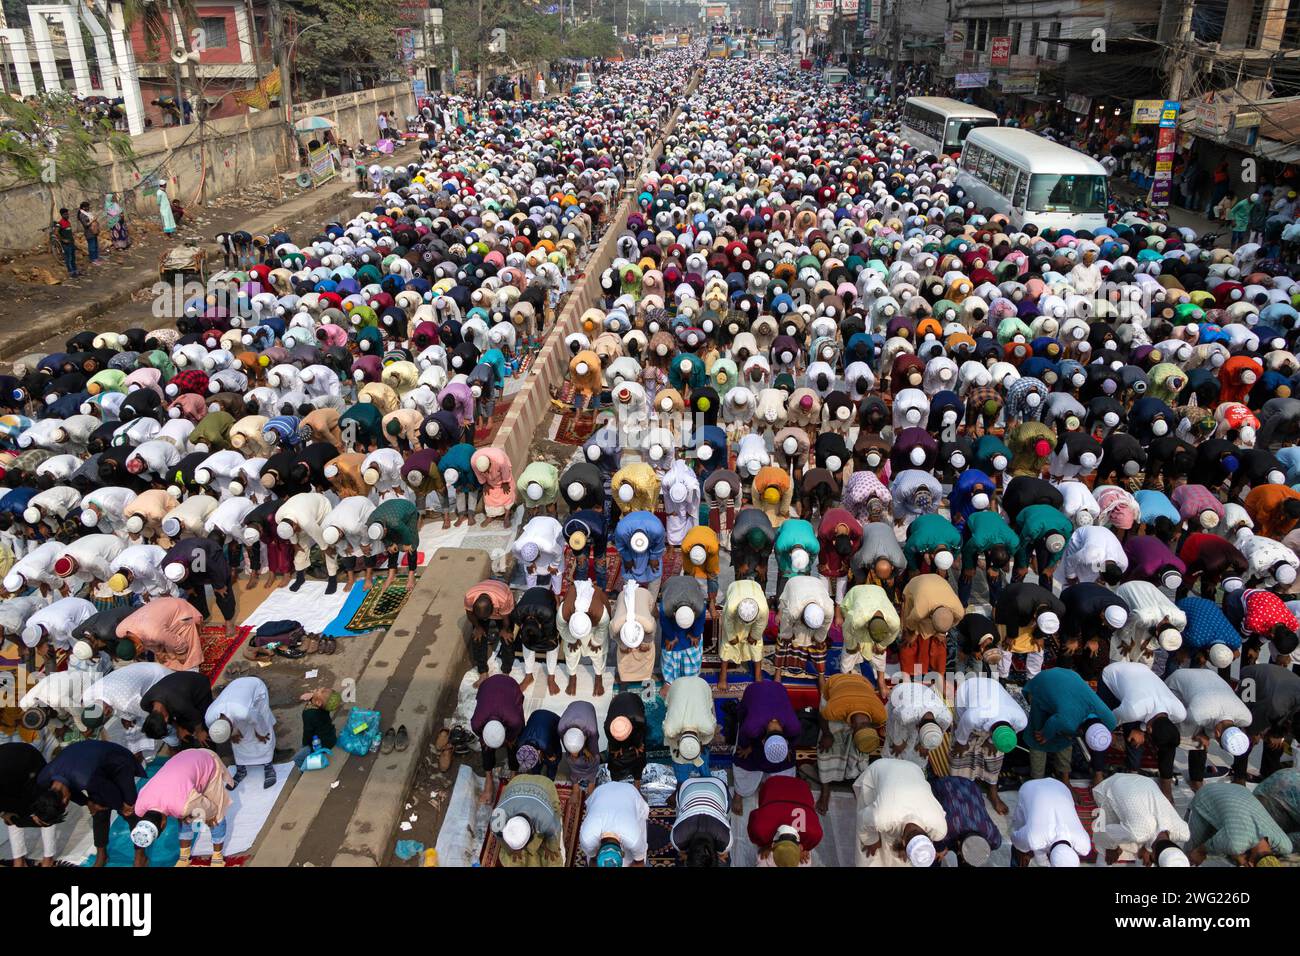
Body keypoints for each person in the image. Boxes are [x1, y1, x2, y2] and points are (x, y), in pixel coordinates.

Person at [35, 740, 144, 867]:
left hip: (118, 762)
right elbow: (72, 790)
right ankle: (102, 855)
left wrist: (122, 807)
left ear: (65, 801)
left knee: (131, 811)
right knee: (98, 811)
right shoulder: (43, 779)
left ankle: (140, 856)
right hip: (90, 764)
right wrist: (88, 802)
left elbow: (108, 790)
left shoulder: (84, 778)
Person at [131, 747, 233, 867]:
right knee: (186, 817)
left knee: (216, 816)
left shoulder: (182, 804)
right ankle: (184, 856)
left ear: (163, 825)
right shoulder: (139, 807)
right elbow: (183, 811)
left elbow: (210, 808)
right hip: (181, 758)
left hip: (205, 760)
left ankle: (217, 856)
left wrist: (209, 816)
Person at [1098, 660, 1187, 798]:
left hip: (1142, 674)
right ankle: (1097, 773)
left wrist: (1141, 729)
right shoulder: (1133, 710)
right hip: (1113, 674)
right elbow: (1108, 720)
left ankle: (1162, 785)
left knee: (1163, 743)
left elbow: (1157, 726)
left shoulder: (1180, 712)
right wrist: (1110, 735)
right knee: (1100, 734)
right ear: (1150, 730)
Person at [1164, 666, 1253, 790]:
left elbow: (1217, 725)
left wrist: (1205, 735)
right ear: (1217, 732)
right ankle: (1166, 781)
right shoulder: (1198, 714)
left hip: (1209, 677)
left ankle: (1196, 778)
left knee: (1201, 739)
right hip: (1176, 682)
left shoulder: (1246, 717)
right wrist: (1199, 737)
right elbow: (1184, 734)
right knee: (1179, 738)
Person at [1022, 666, 1116, 782]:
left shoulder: (1110, 721)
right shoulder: (1068, 721)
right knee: (1038, 737)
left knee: (1065, 738)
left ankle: (1064, 778)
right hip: (1043, 683)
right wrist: (1045, 735)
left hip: (1069, 676)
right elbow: (1048, 728)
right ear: (1081, 732)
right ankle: (1037, 779)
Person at [950, 674, 1027, 814]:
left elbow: (1006, 735)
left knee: (995, 756)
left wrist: (992, 742)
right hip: (968, 691)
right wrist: (961, 742)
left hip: (993, 690)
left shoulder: (1021, 719)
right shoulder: (973, 716)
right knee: (961, 752)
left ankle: (993, 792)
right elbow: (962, 727)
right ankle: (964, 787)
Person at [853, 757, 949, 867]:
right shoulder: (883, 817)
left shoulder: (939, 829)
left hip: (914, 770)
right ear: (903, 842)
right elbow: (863, 820)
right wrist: (871, 841)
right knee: (869, 855)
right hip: (881, 770)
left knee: (897, 858)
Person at [816, 671, 886, 813]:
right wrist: (827, 734)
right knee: (827, 748)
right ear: (851, 726)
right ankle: (825, 789)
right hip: (835, 684)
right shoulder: (834, 709)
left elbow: (873, 733)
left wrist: (866, 739)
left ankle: (857, 780)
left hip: (863, 683)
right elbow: (822, 716)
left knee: (862, 746)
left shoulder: (880, 714)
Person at [1091, 772, 1191, 866]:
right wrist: (1111, 848)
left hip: (1145, 783)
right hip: (1112, 787)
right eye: (1153, 860)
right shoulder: (1137, 832)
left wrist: (1148, 849)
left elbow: (1155, 837)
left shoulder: (1184, 832)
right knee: (1107, 850)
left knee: (1139, 843)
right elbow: (1104, 832)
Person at [732, 679, 800, 815]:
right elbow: (745, 741)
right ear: (762, 741)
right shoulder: (751, 727)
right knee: (745, 761)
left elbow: (794, 740)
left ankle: (774, 789)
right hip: (753, 691)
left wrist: (788, 748)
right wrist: (748, 748)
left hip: (778, 689)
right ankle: (739, 793)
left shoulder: (794, 727)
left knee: (787, 763)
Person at [1185, 782, 1292, 866]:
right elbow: (1205, 849)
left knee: (1228, 844)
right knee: (1191, 853)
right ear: (1250, 864)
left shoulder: (1285, 845)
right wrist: (1199, 852)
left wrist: (1238, 856)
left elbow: (1236, 847)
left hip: (1240, 790)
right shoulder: (1235, 844)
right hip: (1208, 794)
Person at [205, 676, 276, 789]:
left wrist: (260, 733)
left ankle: (268, 765)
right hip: (235, 692)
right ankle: (241, 769)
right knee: (238, 739)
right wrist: (232, 735)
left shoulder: (243, 712)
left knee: (264, 730)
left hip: (256, 688)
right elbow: (222, 731)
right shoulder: (209, 717)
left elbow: (258, 719)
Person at [0, 742, 61, 866]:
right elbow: (9, 812)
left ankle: (48, 859)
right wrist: (4, 813)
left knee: (46, 807)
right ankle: (19, 860)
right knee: (11, 812)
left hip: (30, 761)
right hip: (10, 771)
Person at [1010, 777, 1093, 867]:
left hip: (1061, 787)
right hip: (1031, 789)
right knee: (1021, 849)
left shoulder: (1084, 845)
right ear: (1049, 858)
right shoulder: (1033, 838)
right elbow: (1014, 837)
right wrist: (1022, 850)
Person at [471, 673, 524, 803]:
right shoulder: (476, 723)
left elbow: (512, 737)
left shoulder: (514, 720)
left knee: (514, 744)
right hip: (487, 686)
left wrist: (510, 739)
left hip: (510, 686)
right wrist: (487, 742)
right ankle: (488, 780)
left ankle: (513, 774)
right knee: (486, 748)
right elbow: (484, 741)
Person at [490, 773, 565, 866]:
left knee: (552, 858)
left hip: (544, 784)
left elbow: (554, 834)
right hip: (516, 782)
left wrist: (551, 848)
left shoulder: (546, 819)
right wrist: (510, 850)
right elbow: (499, 837)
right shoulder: (497, 820)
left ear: (532, 835)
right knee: (511, 859)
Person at [747, 775, 823, 866]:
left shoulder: (814, 834)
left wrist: (806, 849)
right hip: (773, 784)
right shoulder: (760, 829)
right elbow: (753, 820)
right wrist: (765, 846)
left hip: (788, 787)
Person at [929, 774, 1002, 866]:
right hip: (944, 785)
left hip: (970, 785)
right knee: (933, 855)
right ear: (959, 843)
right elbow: (935, 835)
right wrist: (940, 849)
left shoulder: (994, 838)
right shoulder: (947, 829)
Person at [579, 780, 649, 867]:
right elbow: (593, 860)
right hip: (601, 792)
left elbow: (639, 863)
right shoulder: (587, 839)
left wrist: (636, 861)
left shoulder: (633, 838)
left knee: (636, 856)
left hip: (629, 793)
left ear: (622, 853)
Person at [663, 674, 717, 784]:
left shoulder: (707, 727)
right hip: (679, 685)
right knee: (687, 768)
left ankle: (683, 784)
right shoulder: (670, 729)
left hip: (701, 686)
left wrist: (694, 746)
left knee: (687, 769)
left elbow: (706, 738)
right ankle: (689, 782)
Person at [139, 669, 213, 749]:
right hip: (178, 687)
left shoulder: (179, 705)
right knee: (185, 725)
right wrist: (179, 728)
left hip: (200, 684)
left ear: (166, 718)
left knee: (206, 719)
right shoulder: (145, 704)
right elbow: (172, 719)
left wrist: (200, 732)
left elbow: (196, 717)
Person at [669, 775, 731, 867]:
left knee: (723, 861)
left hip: (713, 787)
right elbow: (682, 855)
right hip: (690, 787)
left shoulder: (725, 840)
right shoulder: (678, 839)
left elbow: (722, 856)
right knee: (723, 861)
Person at [77, 200, 101, 265]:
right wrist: (93, 220)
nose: (88, 208)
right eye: (87, 207)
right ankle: (93, 259)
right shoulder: (82, 215)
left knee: (95, 245)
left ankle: (95, 258)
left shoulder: (87, 213)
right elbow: (85, 225)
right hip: (89, 232)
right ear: (83, 208)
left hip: (93, 231)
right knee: (92, 246)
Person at [55, 208, 77, 277]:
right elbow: (56, 232)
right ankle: (71, 272)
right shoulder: (60, 223)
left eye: (67, 214)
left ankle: (75, 271)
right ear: (62, 215)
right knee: (68, 258)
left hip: (71, 243)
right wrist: (63, 240)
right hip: (66, 244)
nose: (67, 215)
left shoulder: (68, 222)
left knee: (73, 257)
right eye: (65, 214)